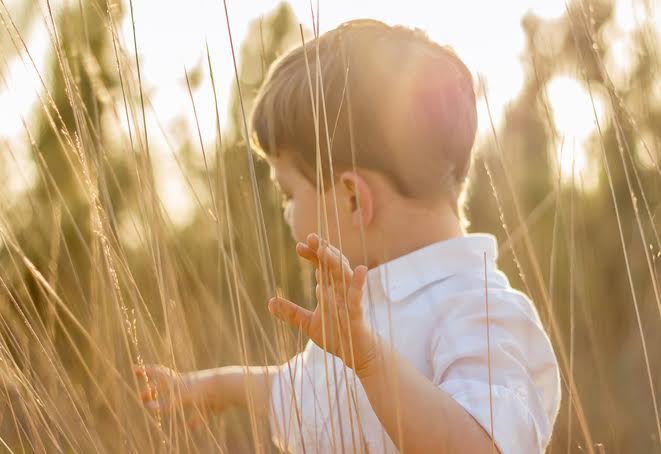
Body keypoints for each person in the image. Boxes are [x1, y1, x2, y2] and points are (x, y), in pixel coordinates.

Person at [135, 19, 560, 454]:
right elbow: (298, 388)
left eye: (289, 194)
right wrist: (211, 387)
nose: (287, 214)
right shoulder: (364, 313)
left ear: (354, 198)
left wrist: (370, 362)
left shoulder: (482, 313)